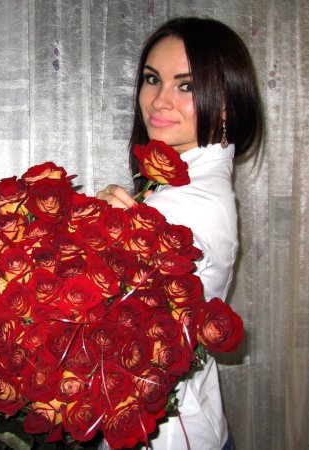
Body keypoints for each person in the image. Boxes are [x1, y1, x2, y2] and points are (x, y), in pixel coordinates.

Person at [96, 17, 263, 450]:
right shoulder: (183, 178)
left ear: (226, 104)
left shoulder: (188, 202)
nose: (159, 101)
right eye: (153, 79)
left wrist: (97, 234)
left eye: (186, 86)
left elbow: (108, 326)